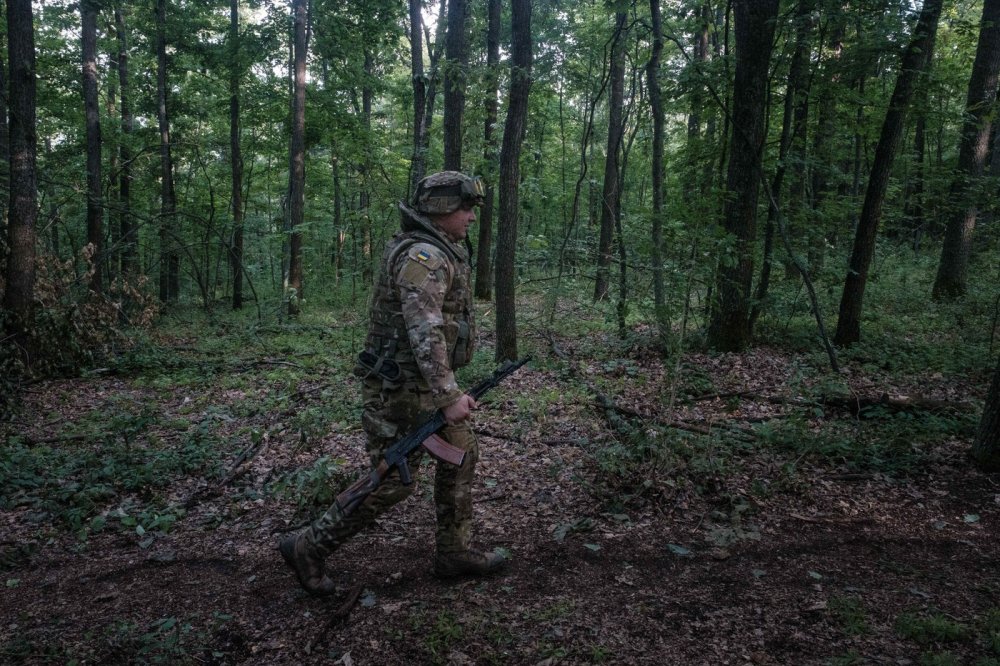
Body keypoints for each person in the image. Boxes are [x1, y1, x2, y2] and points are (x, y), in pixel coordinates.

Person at [279, 171, 505, 595]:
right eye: (465, 208)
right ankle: (310, 546)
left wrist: (445, 391)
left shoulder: (438, 250)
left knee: (462, 453)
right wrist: (448, 394)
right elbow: (426, 330)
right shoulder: (425, 256)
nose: (472, 217)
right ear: (441, 209)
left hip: (420, 384)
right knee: (392, 483)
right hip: (400, 392)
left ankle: (454, 552)